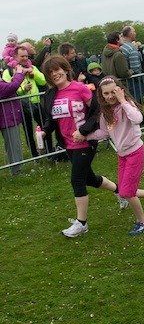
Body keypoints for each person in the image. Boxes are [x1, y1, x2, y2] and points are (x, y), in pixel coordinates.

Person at [40, 55, 124, 238]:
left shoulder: (79, 88)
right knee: (89, 179)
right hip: (68, 143)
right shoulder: (50, 95)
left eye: (57, 69)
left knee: (77, 180)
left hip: (85, 142)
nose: (55, 74)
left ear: (66, 69)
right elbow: (51, 119)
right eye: (51, 72)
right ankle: (120, 192)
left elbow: (97, 111)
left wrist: (84, 131)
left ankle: (82, 223)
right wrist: (45, 131)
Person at [80, 76, 144, 235]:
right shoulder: (106, 113)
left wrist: (123, 100)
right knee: (125, 190)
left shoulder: (127, 105)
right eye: (106, 94)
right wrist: (85, 137)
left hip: (135, 152)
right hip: (122, 155)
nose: (110, 96)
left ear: (120, 91)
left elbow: (138, 118)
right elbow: (104, 132)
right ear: (101, 95)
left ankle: (143, 222)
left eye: (113, 92)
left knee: (126, 192)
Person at [2, 46, 46, 158]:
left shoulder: (32, 67)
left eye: (27, 56)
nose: (25, 58)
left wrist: (33, 73)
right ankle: (34, 154)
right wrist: (23, 90)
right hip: (21, 105)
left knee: (45, 126)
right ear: (15, 56)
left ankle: (48, 150)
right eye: (22, 56)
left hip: (36, 102)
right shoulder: (9, 71)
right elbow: (9, 90)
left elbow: (43, 81)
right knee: (28, 131)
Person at [0, 63, 31, 175]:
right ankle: (16, 170)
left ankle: (17, 168)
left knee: (14, 143)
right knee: (13, 144)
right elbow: (9, 88)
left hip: (7, 117)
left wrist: (16, 79)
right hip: (6, 118)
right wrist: (18, 74)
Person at [120, 26, 144, 105]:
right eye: (134, 31)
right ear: (130, 34)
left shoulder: (121, 46)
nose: (135, 33)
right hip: (133, 80)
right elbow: (136, 67)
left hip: (123, 80)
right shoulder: (131, 48)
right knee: (137, 103)